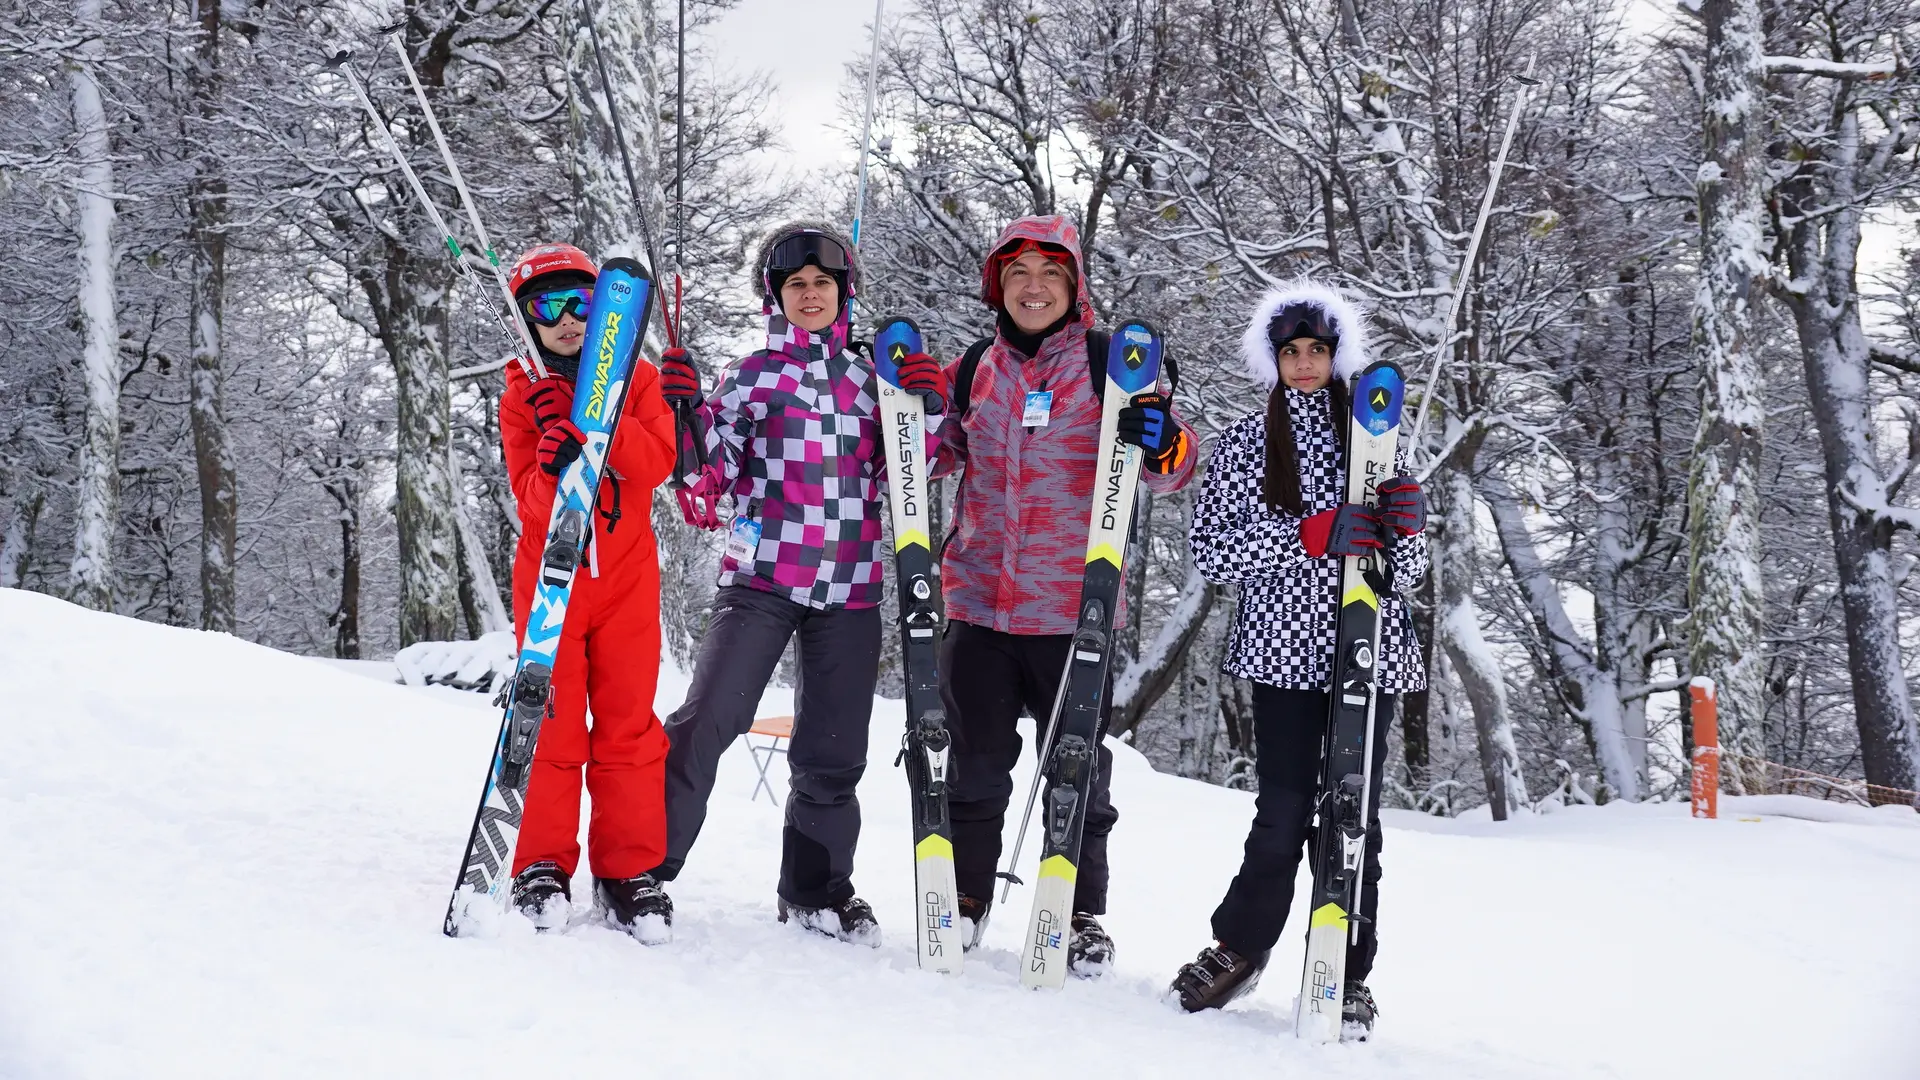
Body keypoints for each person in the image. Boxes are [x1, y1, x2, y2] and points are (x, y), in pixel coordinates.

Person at [652, 222, 947, 944]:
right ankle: (641, 868)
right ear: (775, 299)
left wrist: (924, 410)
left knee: (835, 751)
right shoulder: (751, 376)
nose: (809, 295)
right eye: (795, 285)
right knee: (707, 721)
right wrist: (683, 412)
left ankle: (814, 891)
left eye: (822, 283)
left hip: (850, 587)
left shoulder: (869, 381)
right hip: (761, 579)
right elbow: (702, 491)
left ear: (844, 292)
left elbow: (910, 477)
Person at [931, 215, 1197, 977]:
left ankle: (1077, 914)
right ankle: (968, 898)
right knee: (975, 763)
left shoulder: (1110, 360)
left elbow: (1172, 468)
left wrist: (1161, 437)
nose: (1034, 286)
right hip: (978, 601)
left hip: (1072, 609)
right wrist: (905, 415)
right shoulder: (974, 367)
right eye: (1017, 275)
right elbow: (936, 456)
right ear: (998, 287)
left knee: (1077, 767)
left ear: (1074, 287)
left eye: (1050, 273)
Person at [1170, 282, 1429, 1033]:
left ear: (1338, 354)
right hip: (1284, 652)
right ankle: (1239, 947)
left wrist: (1404, 531)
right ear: (1275, 361)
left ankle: (1346, 967)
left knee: (1354, 813)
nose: (1307, 363)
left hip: (1369, 652)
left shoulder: (1380, 439)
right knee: (1282, 809)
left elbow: (1407, 575)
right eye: (1293, 352)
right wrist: (1305, 536)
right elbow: (1213, 552)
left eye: (1319, 349)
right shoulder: (1247, 444)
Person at [498, 242, 679, 941]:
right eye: (551, 307)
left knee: (629, 728)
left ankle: (629, 870)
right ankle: (540, 863)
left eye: (585, 304)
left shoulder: (640, 380)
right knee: (548, 723)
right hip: (551, 584)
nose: (571, 319)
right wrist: (551, 447)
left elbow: (657, 461)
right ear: (528, 320)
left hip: (627, 582)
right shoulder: (521, 395)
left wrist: (598, 423)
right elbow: (532, 501)